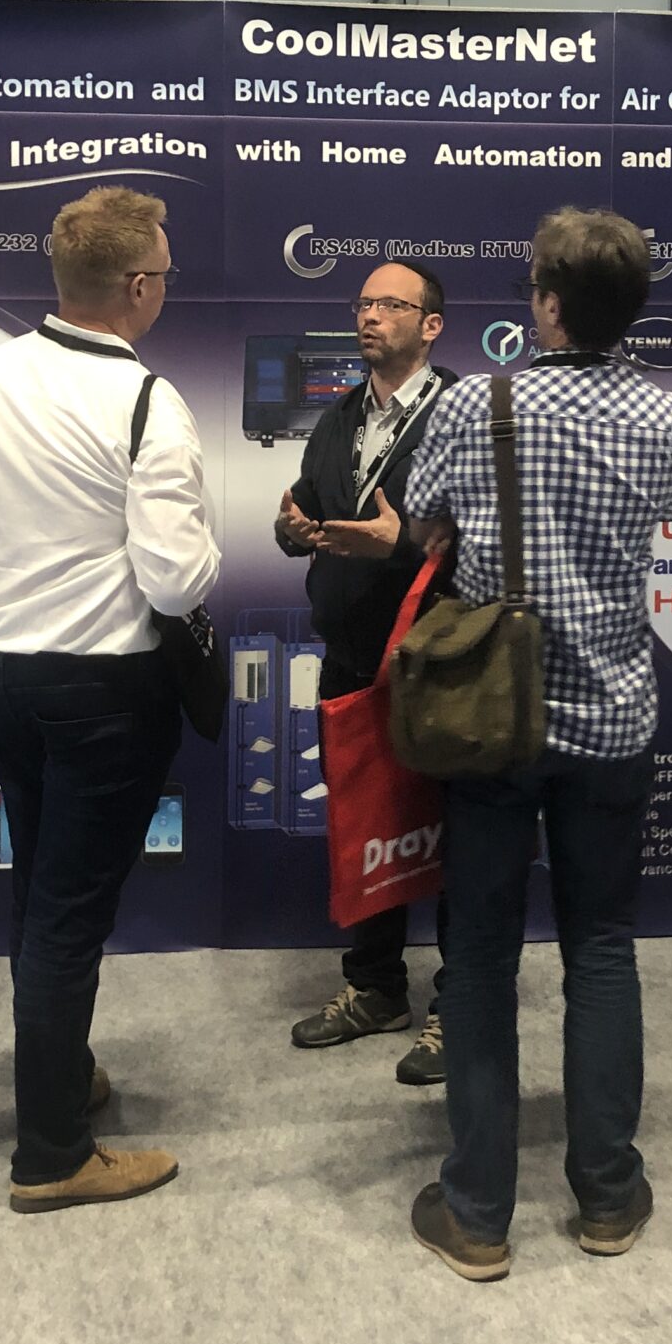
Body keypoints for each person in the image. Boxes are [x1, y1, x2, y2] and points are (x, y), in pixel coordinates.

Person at [399, 207, 672, 1283]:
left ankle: (478, 1213)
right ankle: (608, 1197)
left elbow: (421, 517)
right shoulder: (670, 417)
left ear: (550, 304)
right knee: (602, 949)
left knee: (480, 958)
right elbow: (661, 513)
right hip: (613, 717)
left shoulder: (477, 403)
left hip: (491, 718)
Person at [0, 184, 216, 1215]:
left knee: (39, 894)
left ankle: (62, 1076)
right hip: (104, 686)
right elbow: (174, 582)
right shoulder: (146, 402)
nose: (166, 287)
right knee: (69, 915)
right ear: (137, 287)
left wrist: (13, 607)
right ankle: (51, 1155)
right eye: (165, 274)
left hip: (2, 672)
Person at [275, 257, 454, 1082]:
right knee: (367, 825)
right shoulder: (340, 416)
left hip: (439, 660)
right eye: (363, 303)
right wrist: (292, 529)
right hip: (350, 658)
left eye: (390, 304)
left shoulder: (464, 416)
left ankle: (459, 1005)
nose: (369, 316)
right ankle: (376, 988)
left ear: (430, 325)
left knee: (455, 835)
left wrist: (401, 544)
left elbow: (495, 541)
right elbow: (307, 508)